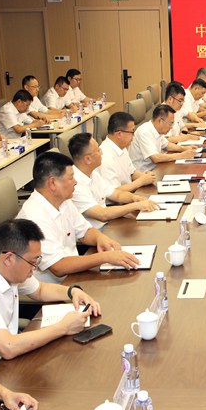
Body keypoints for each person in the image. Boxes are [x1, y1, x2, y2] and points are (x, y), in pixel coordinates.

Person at [0, 219, 100, 378]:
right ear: (9, 258)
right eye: (33, 262)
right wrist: (63, 327)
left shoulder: (0, 263)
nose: (35, 268)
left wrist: (72, 292)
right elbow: (8, 347)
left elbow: (40, 290)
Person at [17, 151, 140, 282]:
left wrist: (101, 238)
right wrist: (106, 257)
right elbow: (58, 266)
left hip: (75, 275)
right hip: (56, 286)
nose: (75, 182)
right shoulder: (35, 216)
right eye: (71, 178)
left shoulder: (63, 201)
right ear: (52, 183)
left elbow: (85, 231)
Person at [69, 133, 158, 228]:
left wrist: (135, 198)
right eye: (98, 150)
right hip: (96, 230)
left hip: (108, 223)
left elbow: (117, 194)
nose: (102, 153)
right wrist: (136, 205)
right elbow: (102, 214)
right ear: (88, 159)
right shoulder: (74, 184)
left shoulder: (93, 173)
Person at [98, 111, 157, 195]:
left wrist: (146, 177)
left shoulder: (121, 147)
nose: (134, 136)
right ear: (119, 134)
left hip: (129, 194)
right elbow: (114, 192)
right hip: (117, 201)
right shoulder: (105, 157)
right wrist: (141, 181)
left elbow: (132, 172)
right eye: (132, 132)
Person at [130, 103, 197, 171]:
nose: (171, 127)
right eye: (170, 123)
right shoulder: (144, 132)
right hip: (144, 173)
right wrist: (182, 155)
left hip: (156, 168)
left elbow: (166, 145)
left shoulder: (157, 130)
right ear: (160, 121)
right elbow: (156, 158)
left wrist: (185, 148)